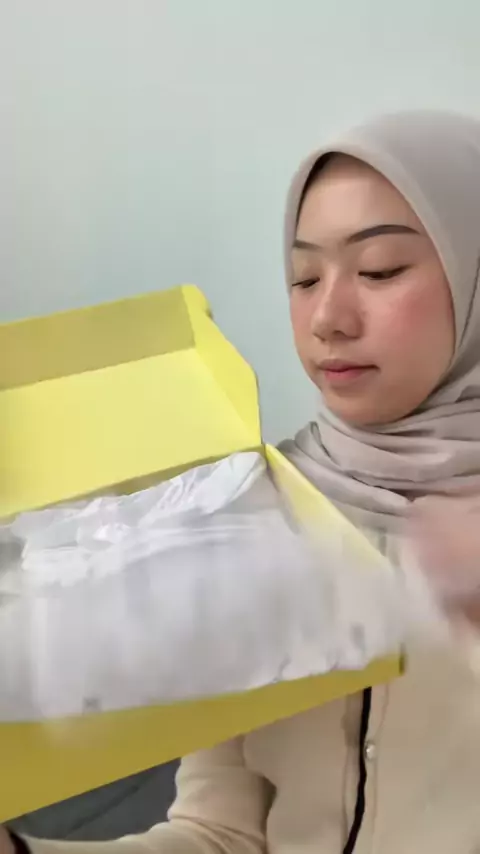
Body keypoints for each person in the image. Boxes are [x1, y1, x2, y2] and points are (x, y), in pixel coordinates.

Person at [4, 109, 480, 854]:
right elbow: (219, 833)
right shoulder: (262, 512)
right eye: (304, 277)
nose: (328, 318)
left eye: (380, 269)